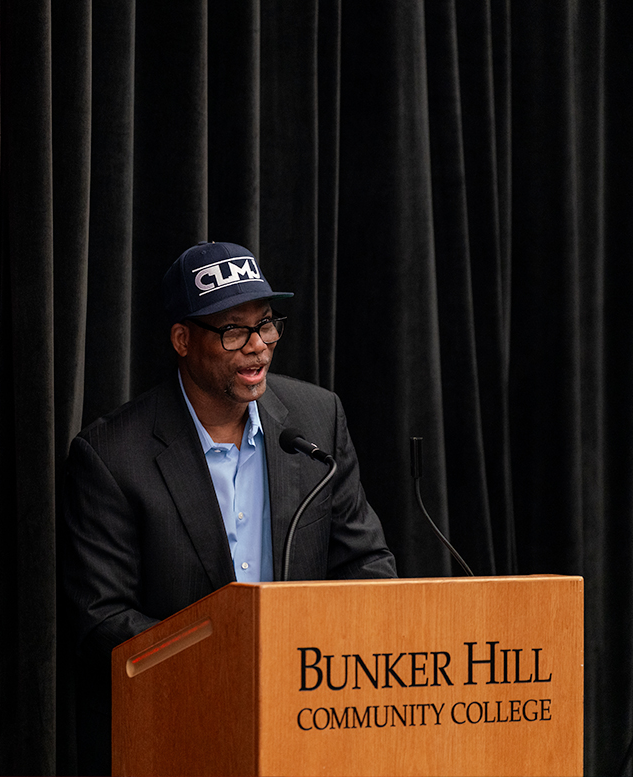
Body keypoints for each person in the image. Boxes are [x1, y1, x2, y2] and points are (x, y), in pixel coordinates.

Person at [61, 240, 397, 774]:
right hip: (181, 727)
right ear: (182, 339)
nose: (259, 347)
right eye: (234, 330)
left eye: (266, 324)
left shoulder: (315, 419)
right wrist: (227, 665)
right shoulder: (112, 455)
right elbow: (102, 618)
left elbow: (365, 563)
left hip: (310, 718)